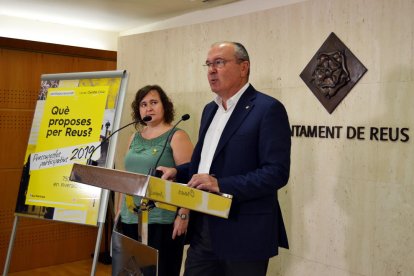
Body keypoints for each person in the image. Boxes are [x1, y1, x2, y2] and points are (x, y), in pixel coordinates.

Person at [158, 41, 291, 276]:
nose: (211, 70)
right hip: (204, 230)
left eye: (219, 63)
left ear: (244, 67)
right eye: (208, 64)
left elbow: (276, 172)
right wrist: (179, 172)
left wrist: (220, 185)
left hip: (244, 233)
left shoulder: (267, 109)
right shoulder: (210, 110)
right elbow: (205, 164)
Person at [116, 84, 193, 276]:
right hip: (130, 216)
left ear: (165, 106)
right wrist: (119, 210)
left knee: (161, 271)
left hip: (162, 219)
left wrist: (184, 214)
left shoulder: (177, 135)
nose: (148, 108)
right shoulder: (134, 137)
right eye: (143, 104)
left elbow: (190, 179)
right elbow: (127, 176)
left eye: (153, 102)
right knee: (132, 271)